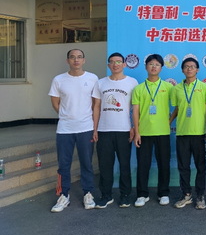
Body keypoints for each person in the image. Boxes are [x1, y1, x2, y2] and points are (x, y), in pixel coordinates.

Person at [48, 49, 100, 212]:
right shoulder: (59, 80)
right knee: (63, 164)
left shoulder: (92, 78)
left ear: (84, 60)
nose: (76, 60)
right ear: (67, 61)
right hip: (65, 129)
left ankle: (88, 193)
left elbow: (96, 105)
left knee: (86, 163)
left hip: (86, 128)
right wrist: (67, 116)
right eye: (72, 57)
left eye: (79, 57)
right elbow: (55, 103)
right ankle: (63, 195)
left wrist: (94, 127)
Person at [95, 52, 138, 208]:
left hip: (124, 130)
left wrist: (134, 127)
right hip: (104, 130)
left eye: (118, 62)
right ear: (108, 65)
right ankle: (106, 195)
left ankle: (125, 195)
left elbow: (135, 108)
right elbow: (96, 107)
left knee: (124, 165)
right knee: (105, 165)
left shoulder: (132, 82)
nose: (115, 64)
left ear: (124, 64)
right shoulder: (100, 83)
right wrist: (95, 129)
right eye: (112, 62)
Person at [132, 54, 172, 207]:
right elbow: (135, 111)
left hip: (163, 132)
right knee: (143, 164)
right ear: (146, 67)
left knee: (164, 164)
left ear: (161, 68)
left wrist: (169, 121)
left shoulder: (168, 87)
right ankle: (142, 194)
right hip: (144, 132)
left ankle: (163, 193)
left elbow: (178, 106)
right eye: (151, 64)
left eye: (157, 64)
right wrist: (137, 132)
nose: (154, 67)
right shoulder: (139, 88)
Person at [169, 57, 206, 210]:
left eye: (192, 66)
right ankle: (186, 194)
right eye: (186, 66)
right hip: (182, 133)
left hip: (199, 133)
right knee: (183, 166)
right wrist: (169, 121)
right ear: (182, 70)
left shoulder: (205, 88)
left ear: (197, 69)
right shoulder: (177, 89)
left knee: (201, 167)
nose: (189, 69)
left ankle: (200, 196)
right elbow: (177, 108)